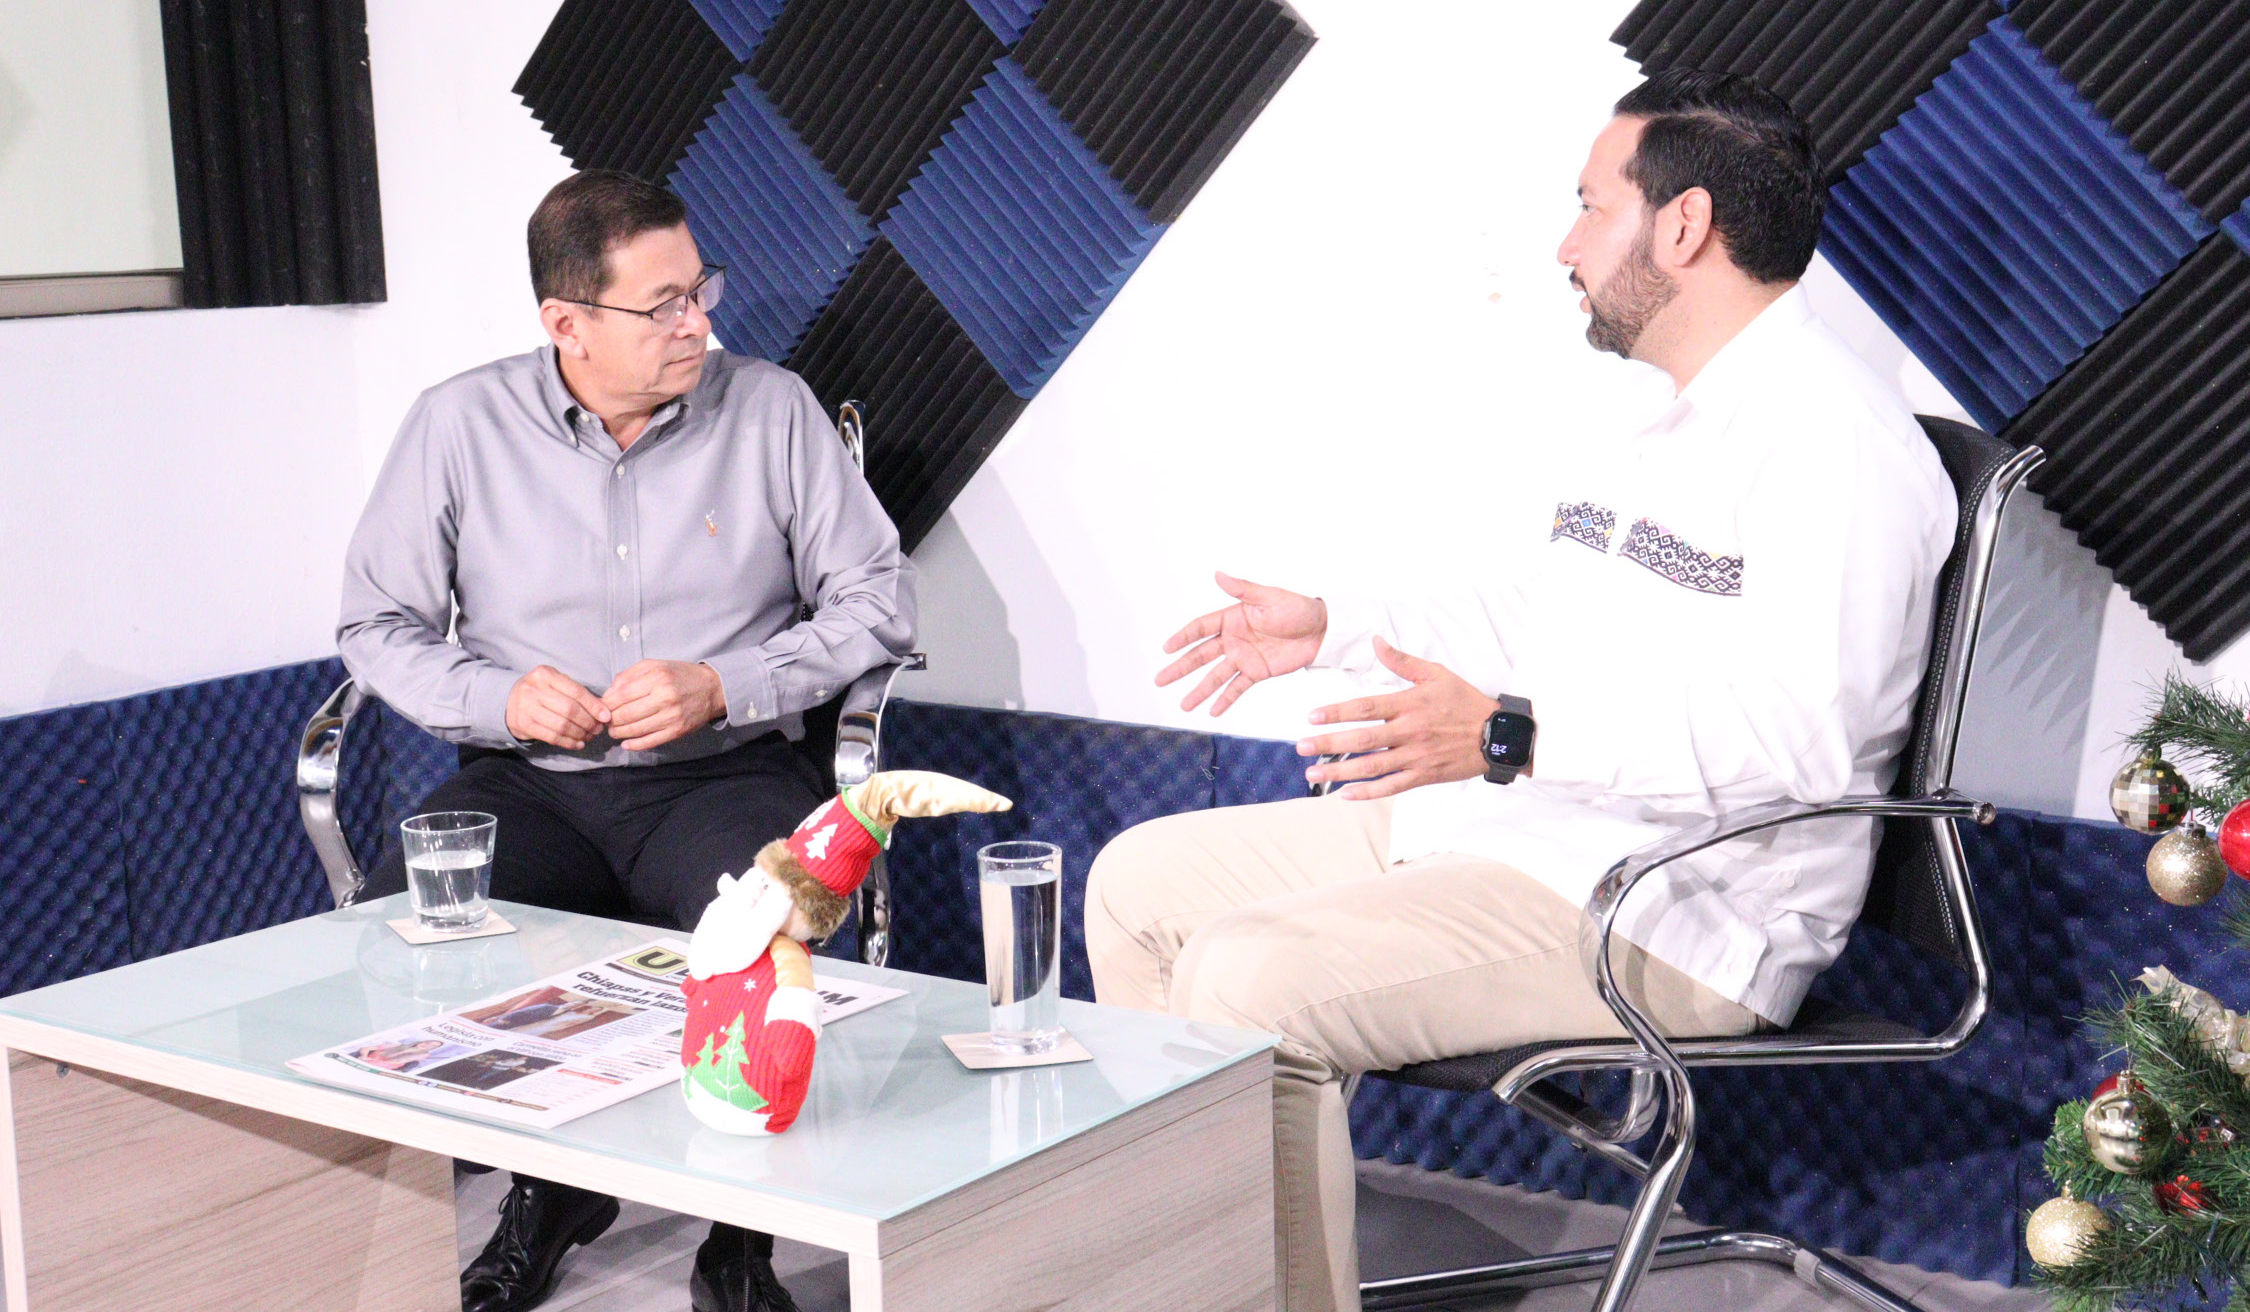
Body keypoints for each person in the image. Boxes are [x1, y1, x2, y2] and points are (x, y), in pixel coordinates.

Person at [1084, 69, 1956, 1312]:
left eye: (1592, 206)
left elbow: (1802, 744)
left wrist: (1509, 737)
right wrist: (1338, 628)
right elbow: (1537, 623)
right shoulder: (1658, 422)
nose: (1565, 245)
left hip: (1675, 904)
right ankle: (1181, 1280)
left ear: (1684, 225)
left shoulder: (1842, 449)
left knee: (1244, 976)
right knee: (1137, 890)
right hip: (1530, 832)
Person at [339, 169, 914, 1312]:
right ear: (567, 322)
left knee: (766, 928)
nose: (697, 321)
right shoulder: (457, 425)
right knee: (418, 928)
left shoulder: (772, 410)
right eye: (663, 305)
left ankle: (743, 1237)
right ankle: (548, 1189)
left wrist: (727, 684)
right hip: (531, 783)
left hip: (723, 774)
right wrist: (498, 698)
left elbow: (879, 600)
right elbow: (375, 626)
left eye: (700, 289)